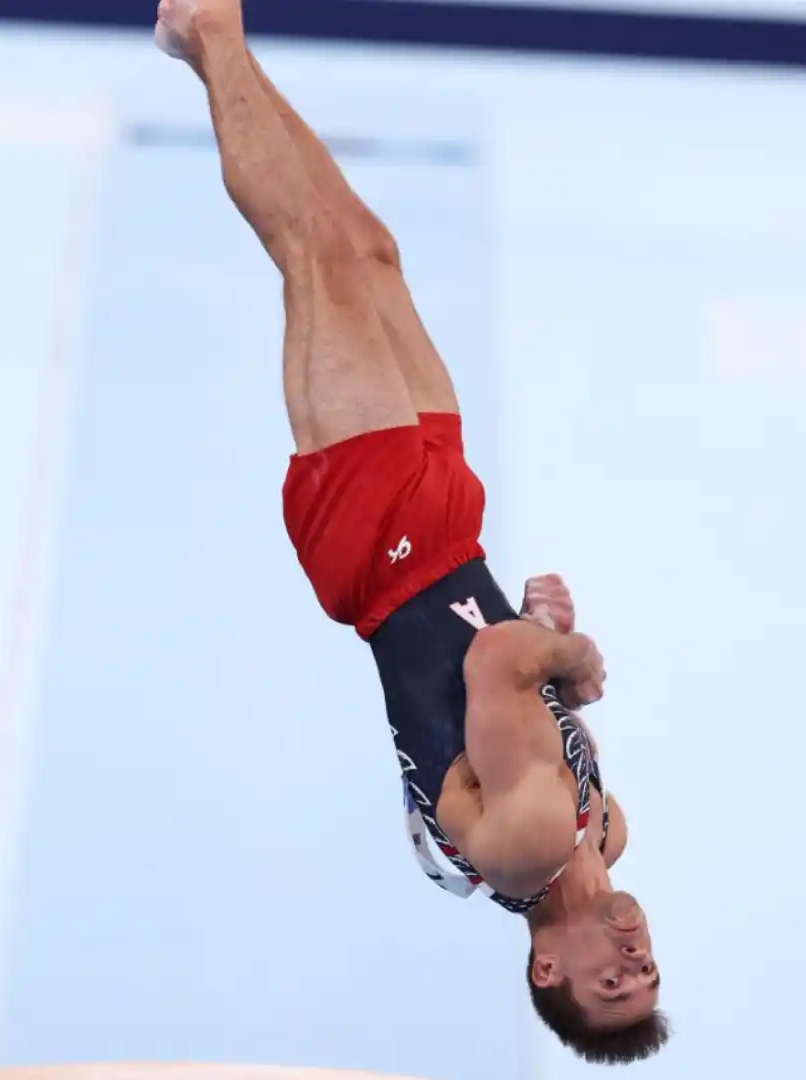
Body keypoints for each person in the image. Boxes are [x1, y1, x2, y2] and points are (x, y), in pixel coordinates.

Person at [155, 0, 669, 1063]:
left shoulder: (529, 846)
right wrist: (544, 632)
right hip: (449, 536)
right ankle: (208, 46)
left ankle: (210, 31)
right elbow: (515, 682)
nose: (633, 958)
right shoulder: (603, 829)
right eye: (648, 973)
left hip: (380, 548)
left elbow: (490, 667)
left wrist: (566, 654)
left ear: (548, 969)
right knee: (369, 253)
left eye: (609, 983)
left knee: (313, 257)